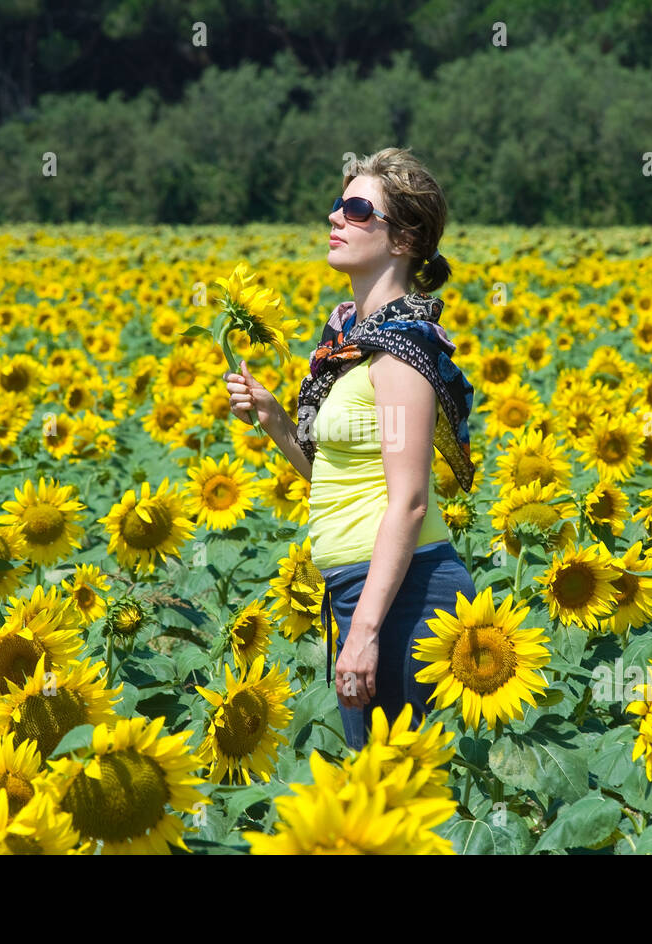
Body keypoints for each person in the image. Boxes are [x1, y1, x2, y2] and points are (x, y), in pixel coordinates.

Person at [223, 148, 478, 749]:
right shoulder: (354, 345)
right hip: (361, 589)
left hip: (404, 595)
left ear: (403, 239)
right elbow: (333, 473)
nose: (336, 217)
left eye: (358, 209)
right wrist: (277, 418)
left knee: (401, 800)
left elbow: (410, 501)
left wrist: (364, 629)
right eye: (339, 205)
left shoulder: (397, 355)